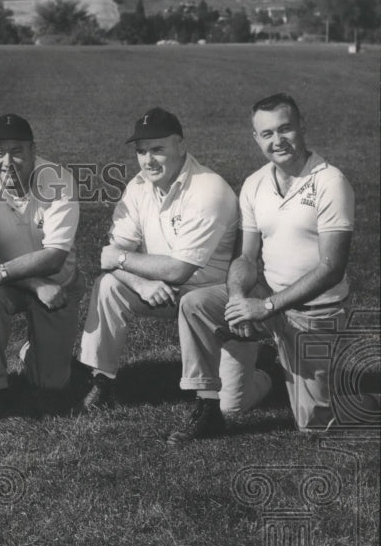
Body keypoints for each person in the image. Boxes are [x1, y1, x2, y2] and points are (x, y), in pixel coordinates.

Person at [175, 93, 355, 439]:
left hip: (316, 313)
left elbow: (332, 267)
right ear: (256, 138)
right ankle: (208, 405)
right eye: (267, 133)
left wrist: (265, 306)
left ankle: (340, 385)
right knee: (196, 305)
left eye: (285, 129)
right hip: (267, 300)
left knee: (314, 427)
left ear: (302, 127)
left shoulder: (331, 182)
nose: (278, 140)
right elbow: (245, 257)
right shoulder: (255, 183)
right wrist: (239, 299)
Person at [77, 107, 272, 425]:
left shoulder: (209, 189)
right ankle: (102, 381)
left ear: (181, 146)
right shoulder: (139, 186)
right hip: (164, 290)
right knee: (109, 286)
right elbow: (110, 257)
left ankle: (263, 373)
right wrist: (141, 284)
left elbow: (176, 269)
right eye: (141, 152)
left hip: (215, 299)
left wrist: (124, 260)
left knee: (231, 407)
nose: (147, 161)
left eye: (157, 150)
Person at [0, 113, 86, 412]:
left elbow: (54, 257)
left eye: (17, 151)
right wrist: (33, 282)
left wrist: (5, 272)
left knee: (51, 384)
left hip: (57, 284)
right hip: (14, 284)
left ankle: (33, 352)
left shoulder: (58, 180)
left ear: (32, 149)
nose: (7, 161)